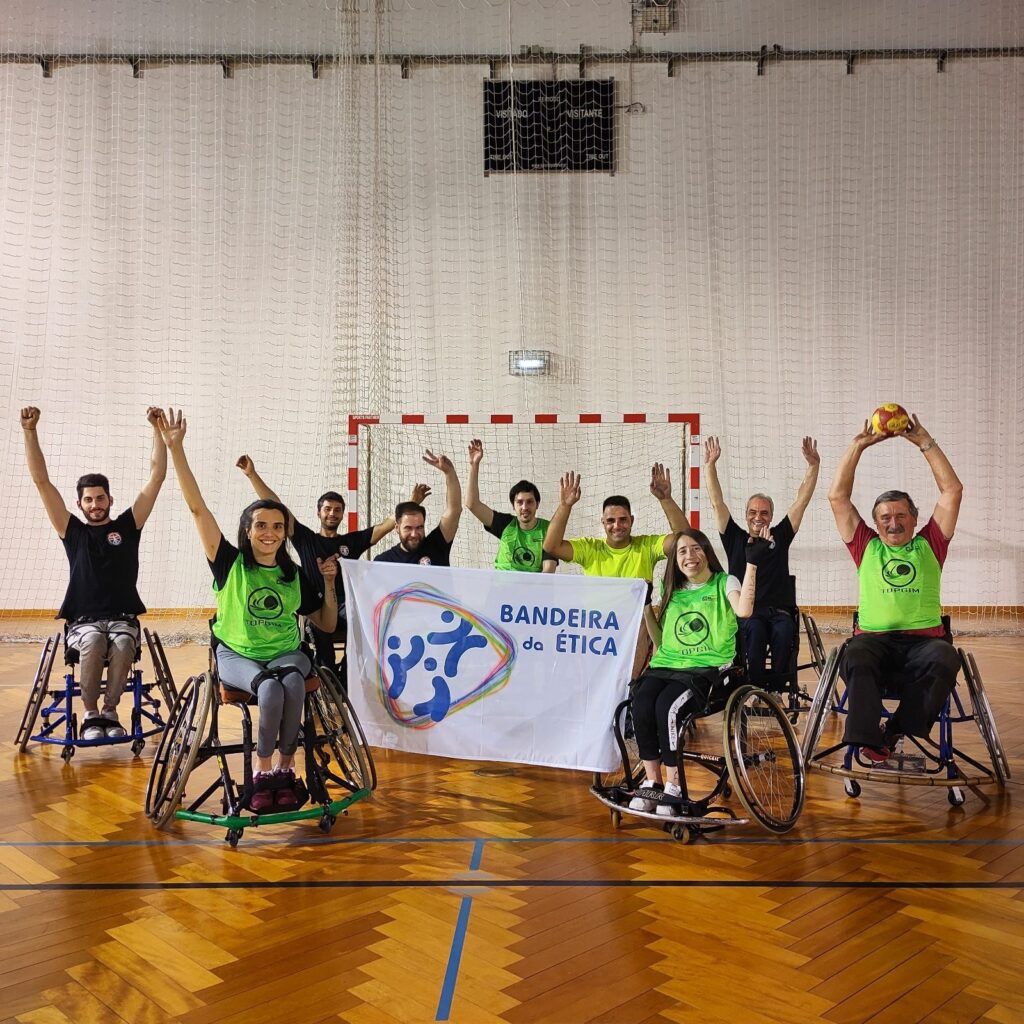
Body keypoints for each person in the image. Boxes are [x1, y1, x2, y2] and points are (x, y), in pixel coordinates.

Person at [158, 410, 338, 812]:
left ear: (284, 532)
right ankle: (262, 771)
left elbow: (326, 623)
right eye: (261, 525)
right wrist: (176, 449)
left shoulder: (293, 575)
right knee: (272, 688)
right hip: (238, 654)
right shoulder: (229, 563)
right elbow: (198, 509)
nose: (270, 532)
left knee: (292, 683)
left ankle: (287, 770)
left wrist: (328, 584)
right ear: (247, 530)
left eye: (277, 526)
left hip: (285, 652)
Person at [20, 405, 167, 742]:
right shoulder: (72, 531)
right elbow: (42, 482)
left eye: (100, 498)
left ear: (110, 499)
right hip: (84, 622)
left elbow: (156, 477)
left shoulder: (128, 526)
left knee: (122, 642)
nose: (95, 504)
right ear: (80, 504)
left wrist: (157, 431)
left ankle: (110, 712)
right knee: (94, 640)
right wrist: (30, 432)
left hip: (122, 619)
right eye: (88, 500)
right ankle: (90, 714)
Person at [828, 414, 963, 762]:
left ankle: (895, 731)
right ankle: (865, 739)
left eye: (901, 515)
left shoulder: (931, 543)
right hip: (873, 643)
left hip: (924, 646)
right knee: (854, 654)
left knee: (946, 657)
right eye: (885, 517)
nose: (893, 522)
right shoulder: (866, 546)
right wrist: (858, 446)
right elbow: (837, 497)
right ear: (875, 523)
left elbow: (952, 490)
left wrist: (924, 442)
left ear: (915, 518)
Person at [236, 455, 429, 673]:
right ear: (319, 512)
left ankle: (348, 675)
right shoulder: (306, 539)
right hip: (316, 608)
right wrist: (252, 475)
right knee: (319, 630)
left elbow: (385, 526)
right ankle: (327, 675)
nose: (332, 513)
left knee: (364, 620)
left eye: (337, 510)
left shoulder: (351, 542)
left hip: (345, 607)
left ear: (342, 515)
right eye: (327, 509)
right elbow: (278, 507)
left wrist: (413, 503)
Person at [628, 526, 769, 813]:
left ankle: (674, 786)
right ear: (675, 560)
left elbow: (744, 611)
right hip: (667, 665)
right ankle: (652, 783)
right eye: (682, 551)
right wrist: (646, 607)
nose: (689, 555)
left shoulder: (724, 582)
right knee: (640, 701)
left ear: (706, 552)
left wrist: (752, 563)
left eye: (695, 548)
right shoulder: (673, 590)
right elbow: (661, 641)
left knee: (667, 707)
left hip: (707, 670)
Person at [542, 465, 689, 677]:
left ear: (632, 521)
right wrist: (565, 506)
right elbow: (551, 547)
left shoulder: (646, 546)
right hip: (597, 630)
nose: (617, 525)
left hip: (633, 630)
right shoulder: (590, 548)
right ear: (603, 523)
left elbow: (685, 538)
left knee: (641, 626)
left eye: (623, 519)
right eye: (610, 520)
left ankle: (632, 685)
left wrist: (666, 499)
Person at [703, 435, 820, 688]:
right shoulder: (734, 538)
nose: (758, 517)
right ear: (746, 516)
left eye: (764, 513)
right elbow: (716, 503)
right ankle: (753, 689)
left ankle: (775, 690)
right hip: (748, 612)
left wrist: (813, 466)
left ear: (771, 516)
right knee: (754, 630)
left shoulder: (781, 536)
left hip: (778, 612)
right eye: (753, 512)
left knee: (784, 631)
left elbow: (801, 501)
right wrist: (710, 466)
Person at [464, 438, 557, 573]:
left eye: (529, 502)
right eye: (519, 502)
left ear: (537, 504)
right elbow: (472, 504)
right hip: (501, 585)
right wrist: (474, 465)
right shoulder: (505, 524)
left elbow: (549, 571)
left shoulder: (548, 530)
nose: (524, 507)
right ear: (513, 506)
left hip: (531, 586)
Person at [374, 450, 463, 566]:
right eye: (408, 528)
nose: (414, 534)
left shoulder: (437, 546)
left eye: (419, 527)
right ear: (397, 527)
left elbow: (454, 510)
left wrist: (449, 472)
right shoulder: (384, 561)